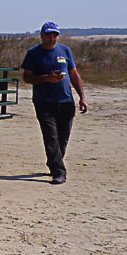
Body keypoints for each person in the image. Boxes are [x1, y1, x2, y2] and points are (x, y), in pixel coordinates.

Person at [21, 22, 88, 185]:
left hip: (65, 101)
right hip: (44, 102)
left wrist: (82, 97)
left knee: (62, 138)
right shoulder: (34, 53)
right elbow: (27, 77)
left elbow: (74, 74)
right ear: (42, 35)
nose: (52, 38)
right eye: (49, 35)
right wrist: (46, 78)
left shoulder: (65, 51)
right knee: (51, 137)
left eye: (55, 35)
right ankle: (59, 172)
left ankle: (54, 163)